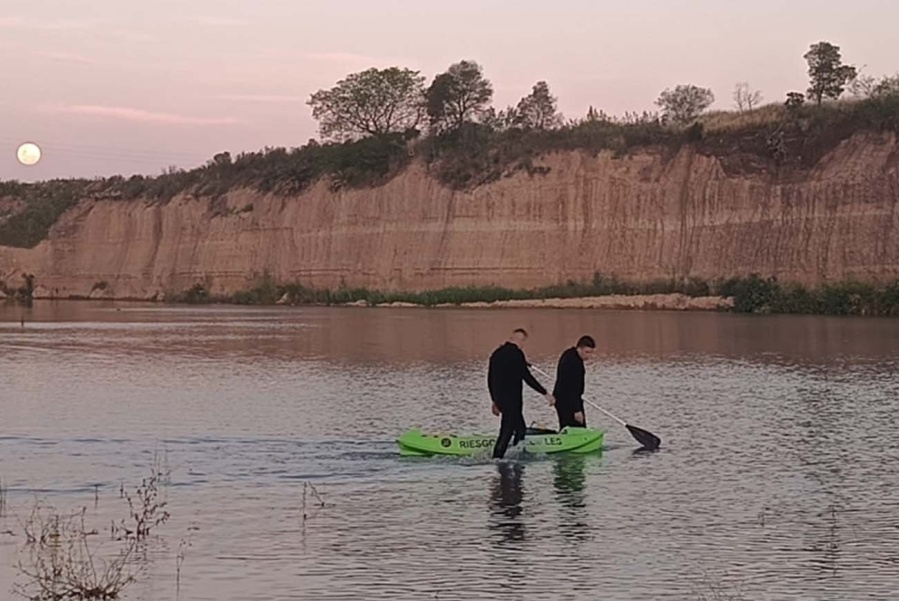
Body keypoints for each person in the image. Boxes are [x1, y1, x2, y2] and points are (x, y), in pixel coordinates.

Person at [487, 328, 554, 459]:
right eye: (523, 342)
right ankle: (497, 458)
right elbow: (527, 377)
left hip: (500, 398)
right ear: (521, 340)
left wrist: (494, 400)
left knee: (521, 429)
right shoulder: (517, 354)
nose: (523, 345)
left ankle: (516, 454)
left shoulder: (496, 353)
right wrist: (545, 393)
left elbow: (490, 379)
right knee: (506, 431)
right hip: (512, 400)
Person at [552, 335, 596, 430]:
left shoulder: (569, 354)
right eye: (587, 352)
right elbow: (571, 388)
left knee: (569, 427)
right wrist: (577, 410)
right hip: (566, 400)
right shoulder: (574, 363)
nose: (589, 356)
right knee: (575, 428)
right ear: (579, 348)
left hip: (565, 398)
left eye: (591, 353)